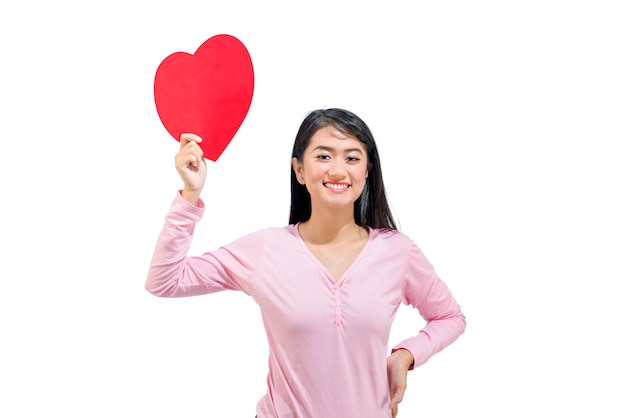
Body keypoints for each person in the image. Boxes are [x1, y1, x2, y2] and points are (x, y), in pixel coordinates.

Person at [145, 108, 466, 418]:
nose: (338, 170)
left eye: (352, 158)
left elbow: (450, 316)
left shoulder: (397, 252)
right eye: (324, 156)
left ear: (367, 170)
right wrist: (190, 194)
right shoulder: (267, 249)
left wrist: (407, 354)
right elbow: (165, 280)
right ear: (299, 169)